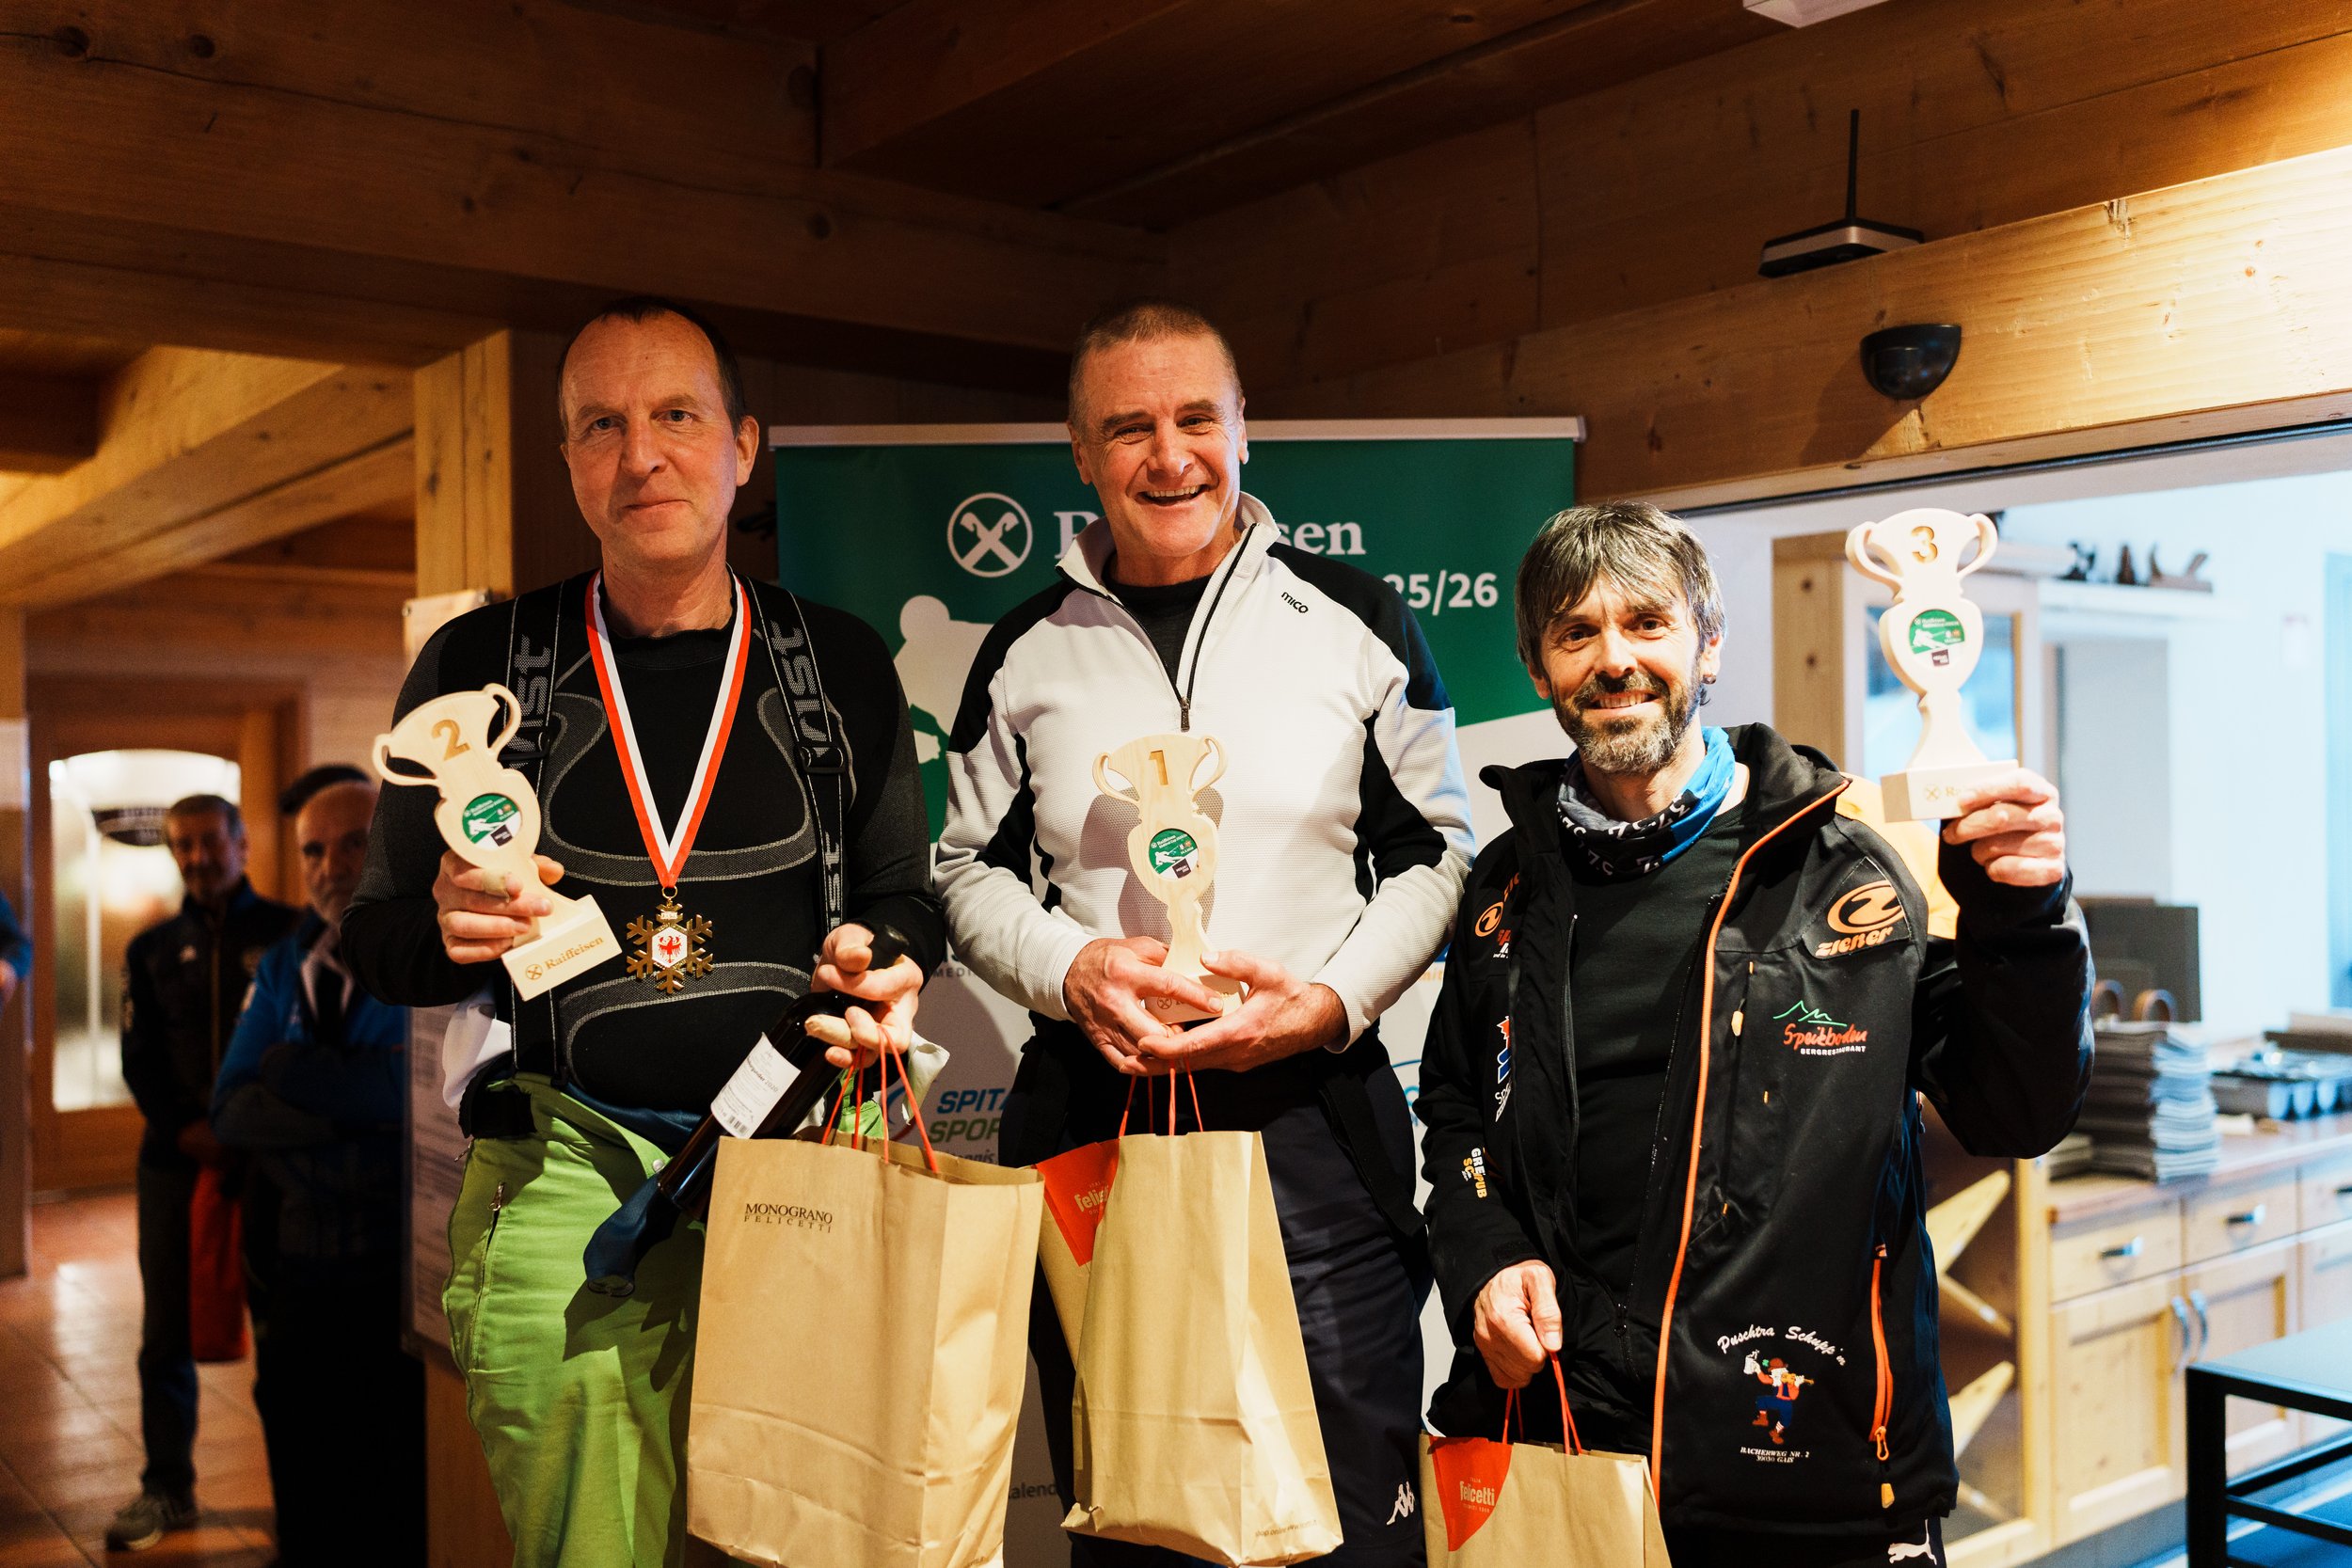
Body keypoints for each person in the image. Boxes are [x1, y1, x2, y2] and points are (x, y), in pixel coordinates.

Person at [342, 295, 943, 1568]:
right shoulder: (479, 665)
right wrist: (448, 926)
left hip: (801, 1163)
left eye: (677, 414)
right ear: (568, 458)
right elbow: (376, 936)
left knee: (814, 1544)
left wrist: (880, 961)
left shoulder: (836, 661)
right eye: (601, 424)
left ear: (743, 444)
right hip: (565, 1172)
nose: (642, 455)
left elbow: (906, 894)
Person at [1415, 501, 2093, 1568]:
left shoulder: (1849, 866)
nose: (1614, 658)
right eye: (1576, 631)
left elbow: (2017, 1108)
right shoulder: (1508, 884)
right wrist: (1485, 1257)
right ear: (1538, 667)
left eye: (1648, 622)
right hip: (1564, 1446)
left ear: (1709, 644)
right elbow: (1457, 1107)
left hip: (1809, 1471)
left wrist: (2028, 915)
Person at [936, 300, 1473, 1566]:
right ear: (1081, 450)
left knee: (1344, 1515)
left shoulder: (1358, 619)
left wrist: (1328, 1002)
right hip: (1099, 1121)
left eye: (1195, 419)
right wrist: (1068, 967)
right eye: (1129, 426)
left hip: (1314, 1127)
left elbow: (1437, 851)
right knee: (1139, 1511)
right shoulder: (1023, 651)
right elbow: (962, 865)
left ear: (1244, 429)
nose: (1168, 455)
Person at [213, 778, 420, 1567]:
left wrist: (291, 1071)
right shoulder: (282, 965)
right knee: (303, 1457)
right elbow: (232, 1106)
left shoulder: (424, 957)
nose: (331, 865)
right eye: (313, 850)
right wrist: (351, 1109)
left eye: (353, 842)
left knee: (391, 1477)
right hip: (298, 1265)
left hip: (395, 1273)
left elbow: (411, 1098)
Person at [110, 794, 299, 1553]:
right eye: (182, 845)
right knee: (165, 1330)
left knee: (285, 1332)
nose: (196, 857)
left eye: (209, 841)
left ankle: (301, 1495)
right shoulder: (151, 948)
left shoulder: (291, 934)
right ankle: (168, 1486)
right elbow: (138, 1058)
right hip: (176, 1163)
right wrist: (193, 1133)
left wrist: (255, 1131)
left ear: (241, 842)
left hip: (275, 1164)